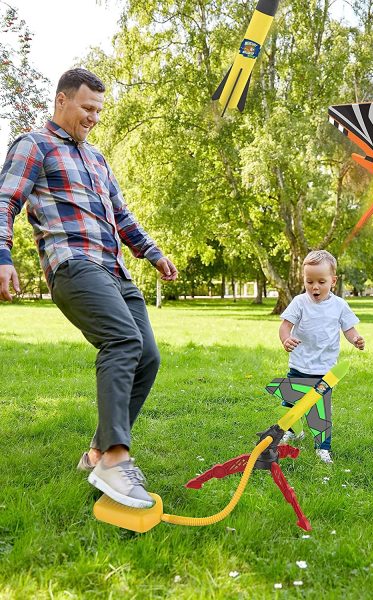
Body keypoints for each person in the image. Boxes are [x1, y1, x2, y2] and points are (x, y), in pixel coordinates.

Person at [0, 68, 178, 508]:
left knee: (148, 356)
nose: (94, 116)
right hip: (73, 265)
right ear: (62, 101)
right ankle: (115, 461)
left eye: (98, 109)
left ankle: (97, 452)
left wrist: (152, 252)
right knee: (121, 339)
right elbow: (5, 201)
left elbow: (121, 214)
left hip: (114, 270)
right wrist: (3, 257)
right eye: (87, 107)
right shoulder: (34, 145)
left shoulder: (97, 158)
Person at [279, 250, 365, 463]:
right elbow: (285, 326)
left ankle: (322, 448)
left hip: (325, 371)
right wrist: (286, 339)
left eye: (321, 281)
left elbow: (348, 329)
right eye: (309, 281)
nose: (314, 287)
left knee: (320, 411)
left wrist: (355, 339)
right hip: (299, 365)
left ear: (333, 281)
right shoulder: (299, 302)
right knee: (291, 403)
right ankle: (292, 430)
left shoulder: (339, 306)